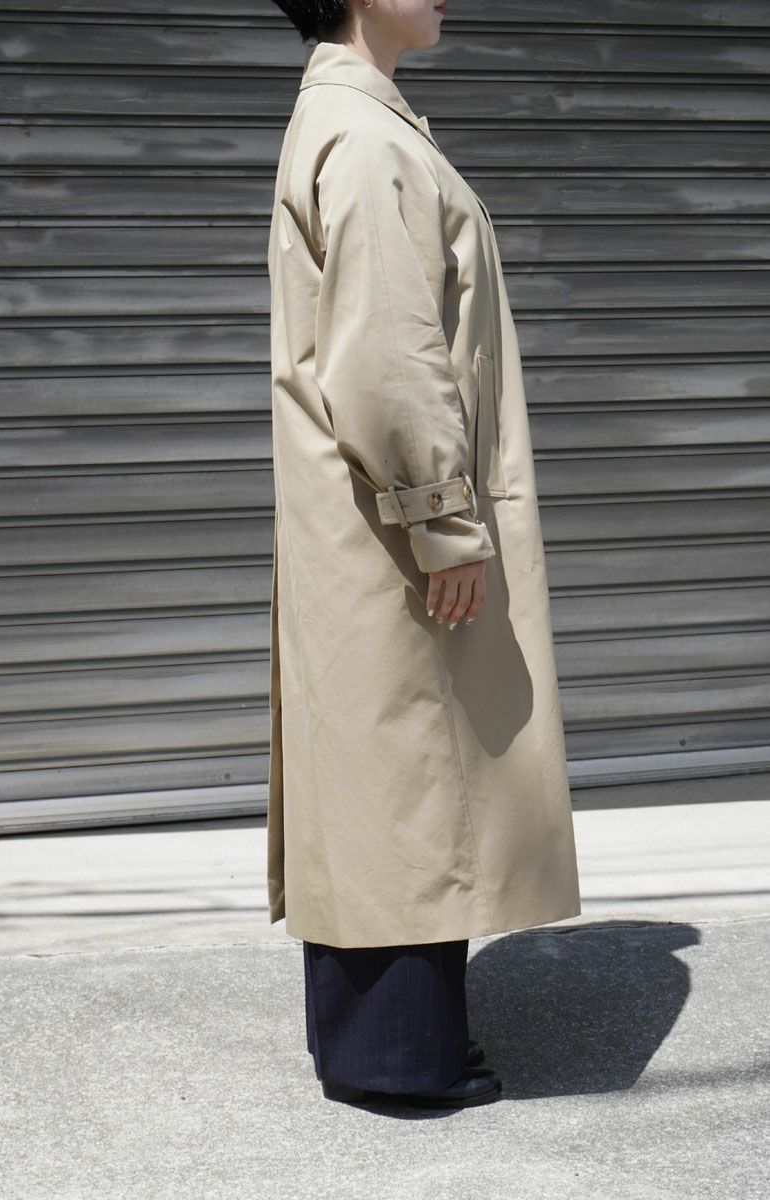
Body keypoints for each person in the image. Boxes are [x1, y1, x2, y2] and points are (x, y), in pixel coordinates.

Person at [266, 0, 582, 1108]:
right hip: (394, 521)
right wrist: (442, 518)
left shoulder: (361, 121)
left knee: (388, 775)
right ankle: (397, 1060)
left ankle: (389, 1046)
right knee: (404, 778)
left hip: (370, 517)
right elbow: (388, 354)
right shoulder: (362, 136)